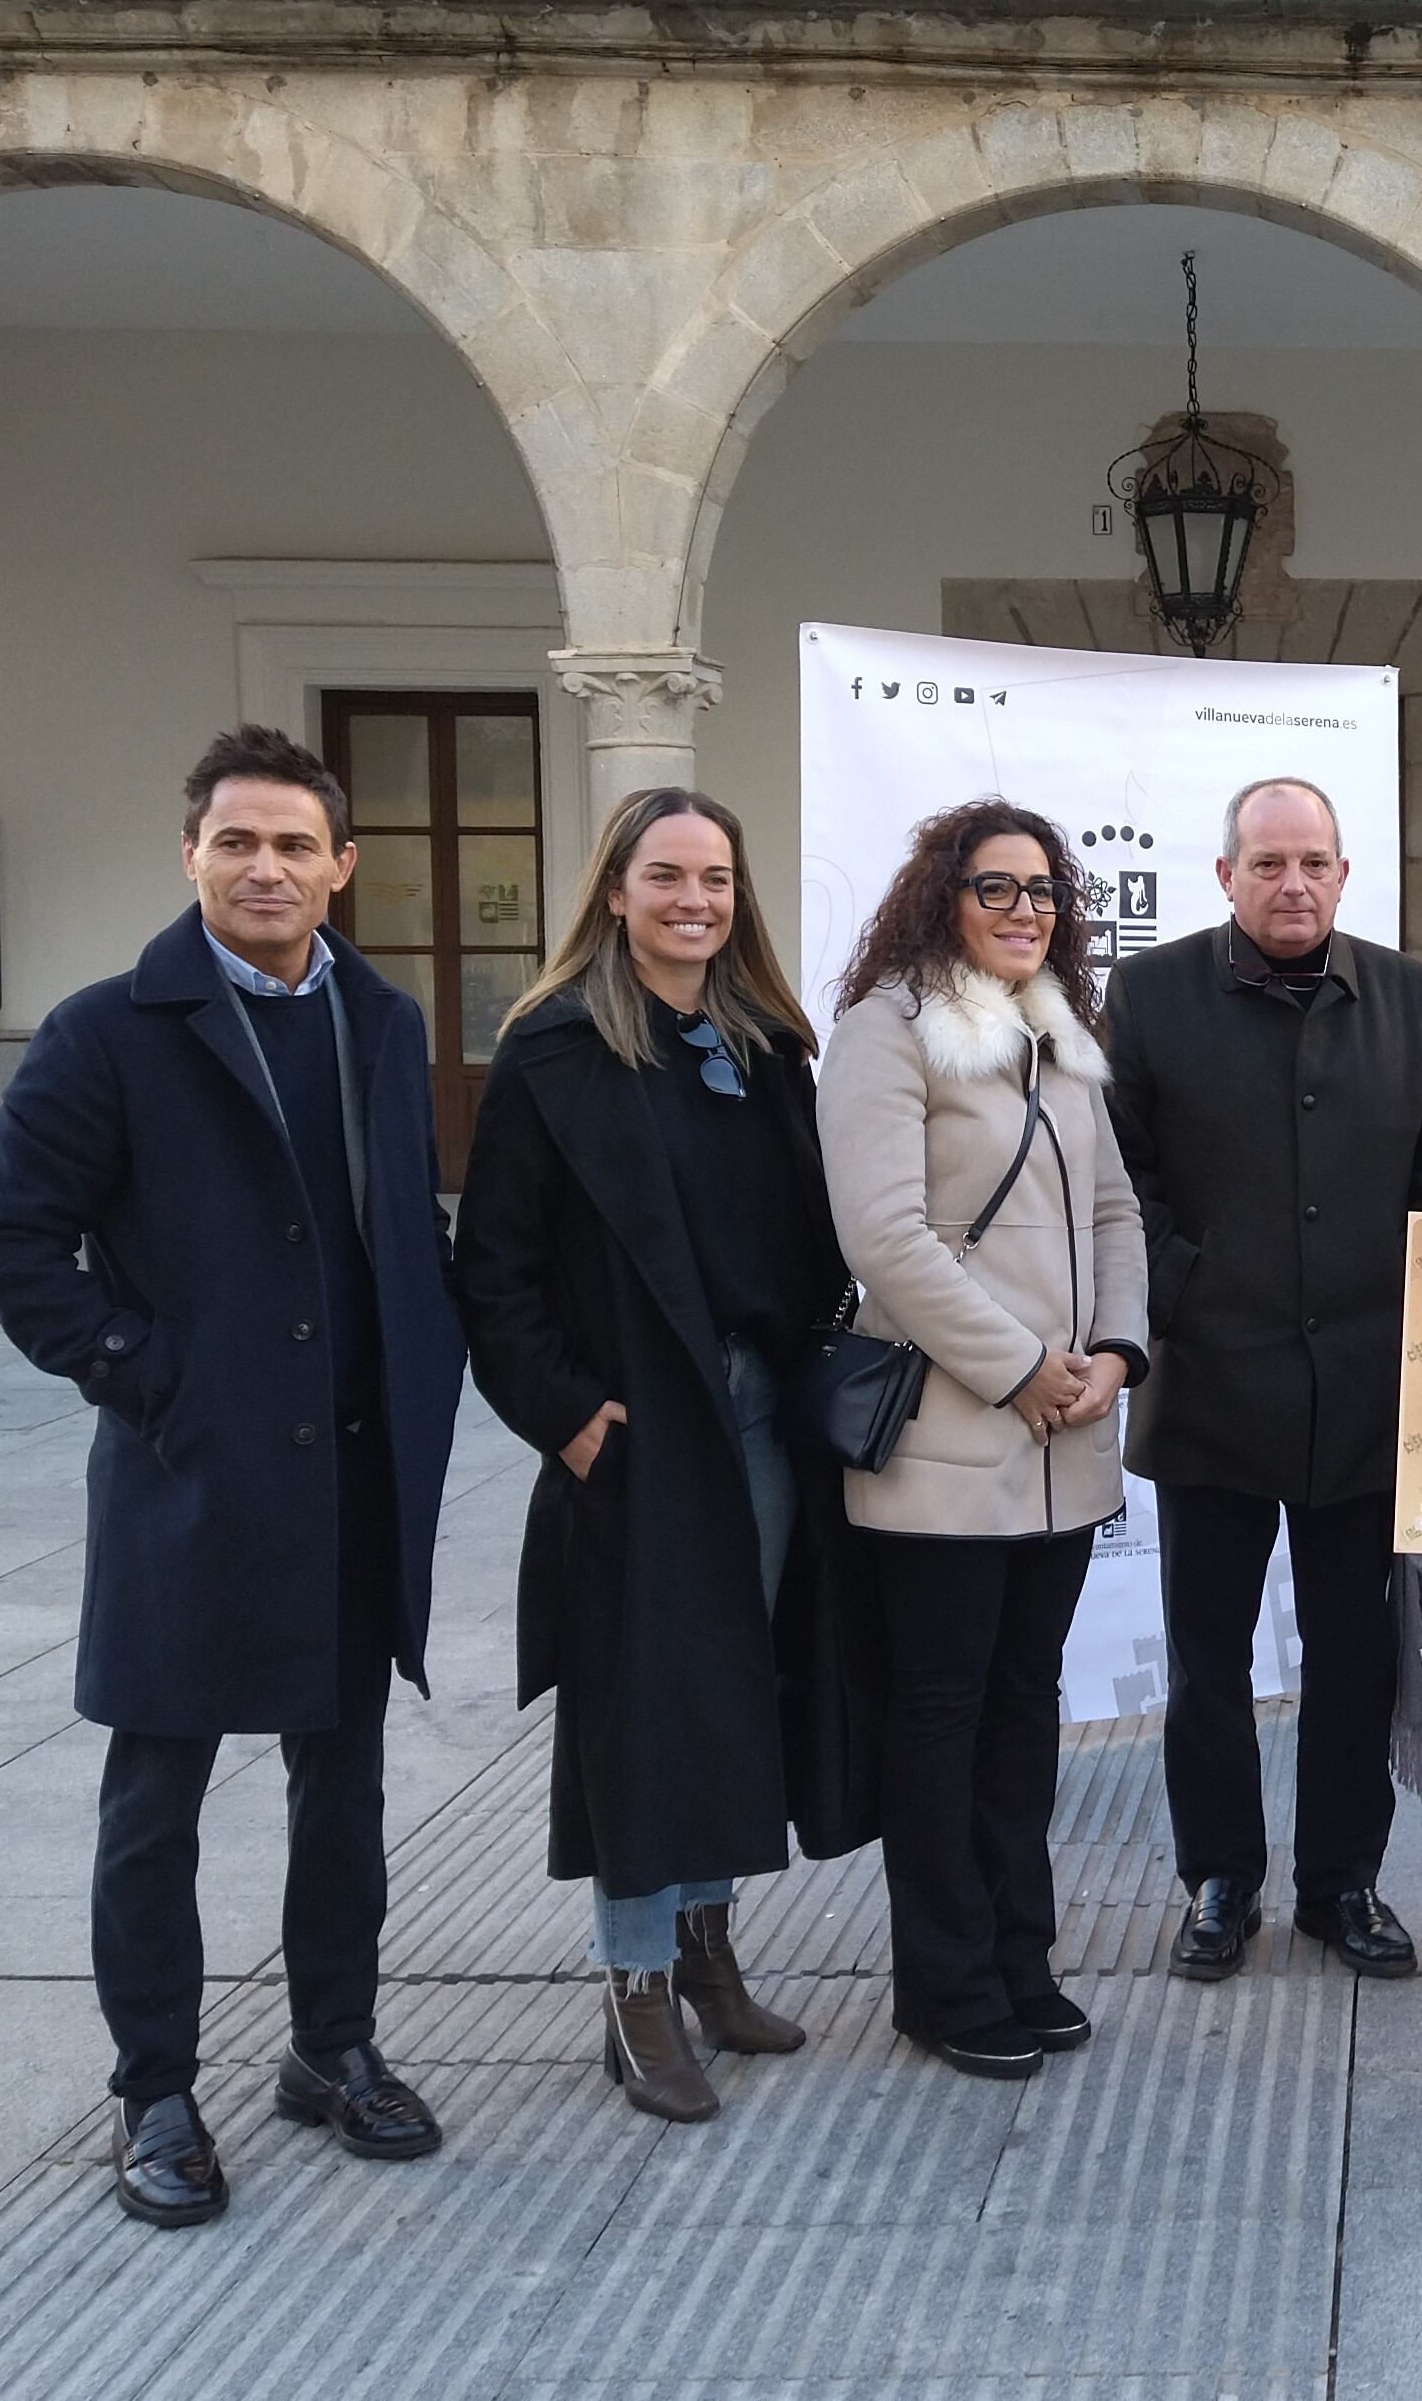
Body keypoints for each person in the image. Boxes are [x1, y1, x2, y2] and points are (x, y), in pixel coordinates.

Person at [0, 725, 462, 2228]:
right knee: (155, 1797)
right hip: (191, 1479)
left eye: (295, 845)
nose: (266, 867)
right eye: (238, 841)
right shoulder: (108, 1030)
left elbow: (388, 1226)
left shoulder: (376, 1020)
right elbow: (6, 1244)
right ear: (191, 855)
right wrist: (146, 1373)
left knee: (343, 1789)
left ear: (340, 867)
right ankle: (156, 2087)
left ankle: (333, 2045)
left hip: (350, 1477)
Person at [454, 787, 841, 2123]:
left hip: (762, 1419)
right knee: (636, 1708)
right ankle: (632, 1993)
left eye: (716, 878)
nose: (694, 900)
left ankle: (707, 1955)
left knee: (732, 1690)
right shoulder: (552, 1054)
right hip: (636, 1429)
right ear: (613, 892)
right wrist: (565, 1417)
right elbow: (491, 1274)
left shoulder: (766, 1050)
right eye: (666, 875)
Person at [1104, 777, 1422, 1982]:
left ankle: (1341, 1882)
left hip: (1366, 1392)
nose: (1292, 881)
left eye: (1313, 860)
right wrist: (1186, 1287)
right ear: (1224, 877)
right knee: (1207, 1657)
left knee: (1353, 1657)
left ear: (1344, 872)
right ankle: (1220, 1878)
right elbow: (1125, 1176)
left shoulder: (1410, 999)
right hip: (1210, 1380)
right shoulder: (1151, 995)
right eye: (1267, 863)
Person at [817, 800, 1149, 2080]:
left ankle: (1021, 1954)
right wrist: (1020, 1368)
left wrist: (1115, 1353)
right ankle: (944, 1983)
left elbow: (1117, 1208)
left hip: (1064, 1445)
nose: (1026, 912)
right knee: (941, 1720)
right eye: (995, 889)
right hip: (948, 1450)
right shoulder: (884, 1034)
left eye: (1043, 892)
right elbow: (882, 1240)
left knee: (1021, 1717)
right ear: (940, 897)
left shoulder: (1059, 1038)